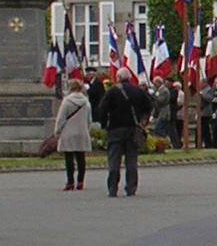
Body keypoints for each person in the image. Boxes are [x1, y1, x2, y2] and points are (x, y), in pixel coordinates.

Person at [97, 69, 152, 197]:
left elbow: (102, 109)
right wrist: (143, 120)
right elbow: (149, 106)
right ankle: (131, 188)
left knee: (114, 160)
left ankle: (112, 188)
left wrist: (104, 125)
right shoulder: (138, 91)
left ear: (118, 77)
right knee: (131, 160)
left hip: (115, 129)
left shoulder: (112, 91)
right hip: (133, 129)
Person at [54, 79, 93, 191]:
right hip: (82, 132)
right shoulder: (86, 102)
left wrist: (57, 132)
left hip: (68, 133)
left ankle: (70, 181)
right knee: (81, 158)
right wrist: (86, 130)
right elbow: (89, 120)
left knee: (69, 158)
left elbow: (61, 118)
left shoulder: (67, 101)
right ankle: (80, 181)